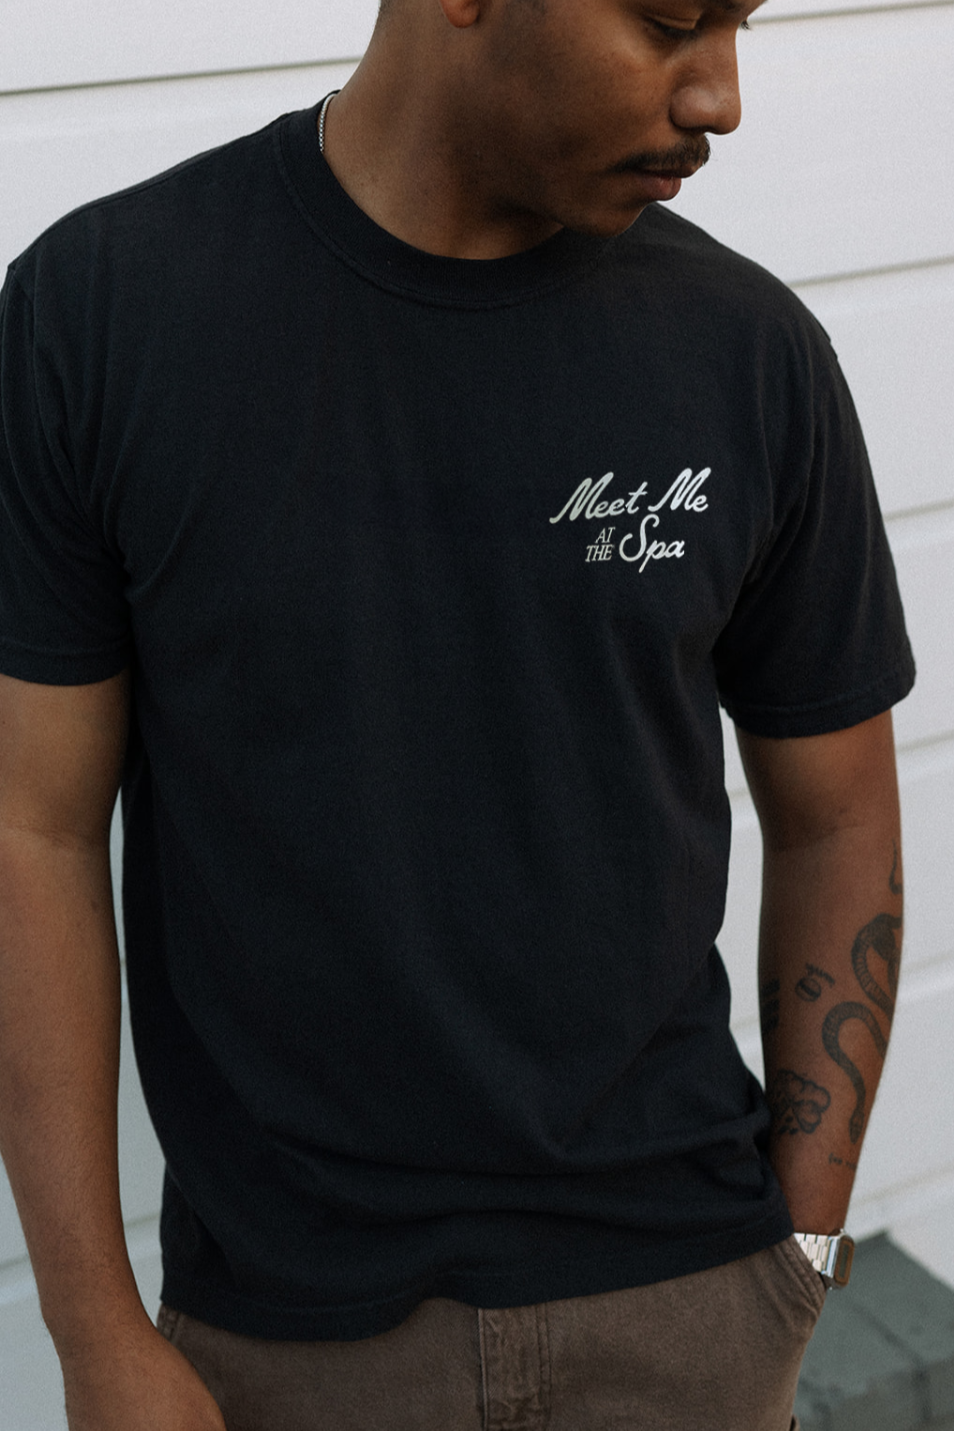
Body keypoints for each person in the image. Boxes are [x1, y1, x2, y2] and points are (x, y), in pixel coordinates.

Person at [0, 0, 915, 1427]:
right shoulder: (106, 314)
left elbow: (839, 817)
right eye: (673, 21)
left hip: (687, 1309)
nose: (721, 99)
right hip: (281, 1343)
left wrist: (797, 1251)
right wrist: (92, 1329)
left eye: (738, 25)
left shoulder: (748, 352)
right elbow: (33, 829)